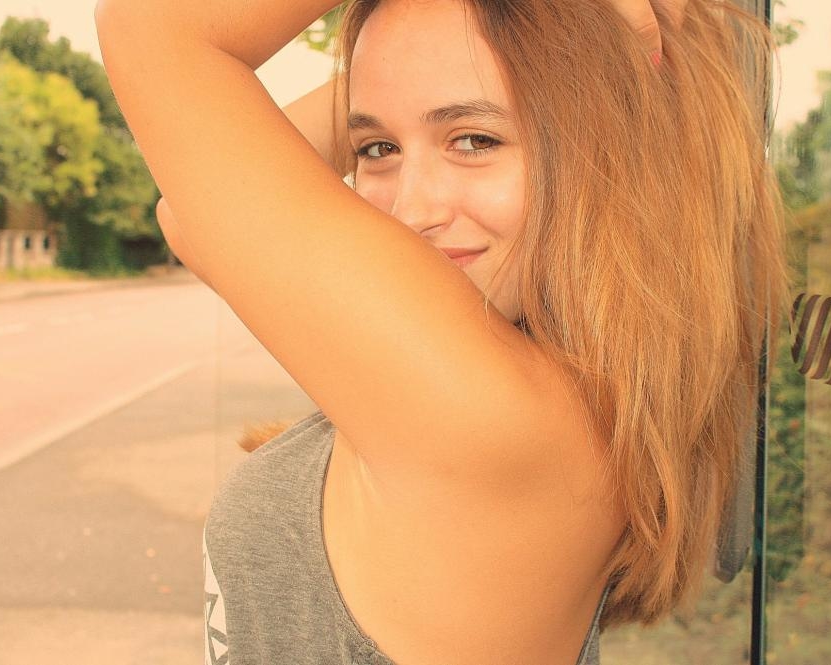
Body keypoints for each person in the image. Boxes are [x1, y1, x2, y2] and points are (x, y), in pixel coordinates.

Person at [95, 0, 787, 663]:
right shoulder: (568, 396)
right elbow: (192, 217)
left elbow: (152, 25)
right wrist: (424, 56)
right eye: (376, 148)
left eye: (475, 140)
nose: (411, 209)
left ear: (609, 156)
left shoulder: (492, 419)